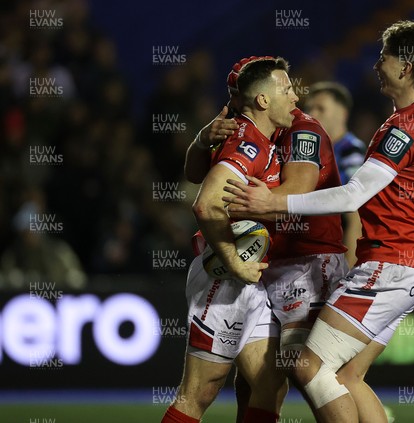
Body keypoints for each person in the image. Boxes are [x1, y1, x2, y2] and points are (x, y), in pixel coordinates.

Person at [223, 20, 414, 422]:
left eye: (385, 57)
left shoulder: (405, 128)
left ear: (406, 68)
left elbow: (351, 196)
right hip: (406, 268)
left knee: (308, 365)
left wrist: (274, 205)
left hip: (388, 267)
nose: (377, 64)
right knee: (349, 375)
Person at [162, 57, 298, 423]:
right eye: (287, 90)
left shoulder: (253, 135)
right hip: (223, 278)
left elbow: (194, 172)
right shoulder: (249, 142)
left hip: (250, 281)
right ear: (263, 101)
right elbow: (205, 205)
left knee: (269, 384)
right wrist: (235, 262)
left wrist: (201, 140)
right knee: (200, 393)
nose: (295, 97)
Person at [305, 82, 366, 266]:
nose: (312, 114)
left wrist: (349, 266)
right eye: (309, 108)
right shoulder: (314, 149)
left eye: (321, 108)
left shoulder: (350, 151)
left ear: (342, 114)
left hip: (336, 258)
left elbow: (356, 212)